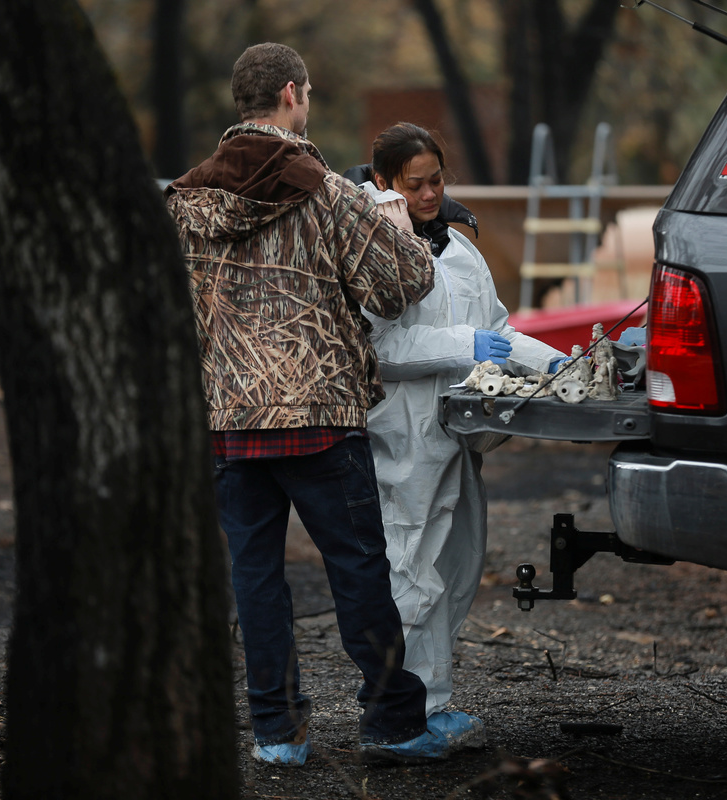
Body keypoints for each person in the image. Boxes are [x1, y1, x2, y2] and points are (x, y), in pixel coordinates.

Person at [165, 46, 449, 767]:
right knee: (358, 569)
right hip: (319, 415)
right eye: (310, 92)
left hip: (228, 418)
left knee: (255, 576)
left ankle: (276, 734)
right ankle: (394, 723)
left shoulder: (184, 201)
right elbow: (402, 284)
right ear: (292, 94)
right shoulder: (325, 190)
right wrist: (397, 226)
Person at [344, 123, 568, 749]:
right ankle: (401, 715)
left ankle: (431, 700)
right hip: (405, 436)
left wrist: (554, 363)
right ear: (384, 182)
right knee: (410, 569)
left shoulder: (461, 251)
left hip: (459, 434)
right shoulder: (373, 250)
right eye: (414, 184)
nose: (428, 194)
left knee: (458, 563)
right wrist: (461, 345)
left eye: (436, 180)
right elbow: (374, 348)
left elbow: (498, 327)